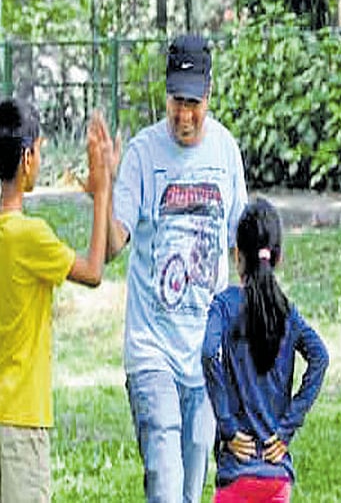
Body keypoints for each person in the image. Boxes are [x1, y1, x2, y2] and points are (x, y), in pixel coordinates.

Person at [106, 34, 248, 502]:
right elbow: (111, 246)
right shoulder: (143, 154)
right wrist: (102, 188)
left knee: (190, 488)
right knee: (166, 484)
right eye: (176, 101)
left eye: (193, 103)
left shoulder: (225, 152)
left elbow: (241, 247)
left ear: (209, 95)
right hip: (152, 351)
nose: (184, 115)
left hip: (207, 355)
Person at [0, 98, 112, 503]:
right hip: (22, 420)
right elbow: (93, 271)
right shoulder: (30, 236)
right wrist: (102, 192)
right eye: (39, 150)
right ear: (27, 158)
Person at [202, 198, 329, 502]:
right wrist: (287, 427)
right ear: (277, 257)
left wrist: (228, 425)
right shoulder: (288, 314)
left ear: (237, 255)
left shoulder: (224, 306)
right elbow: (320, 357)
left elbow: (208, 353)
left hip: (236, 474)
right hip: (276, 476)